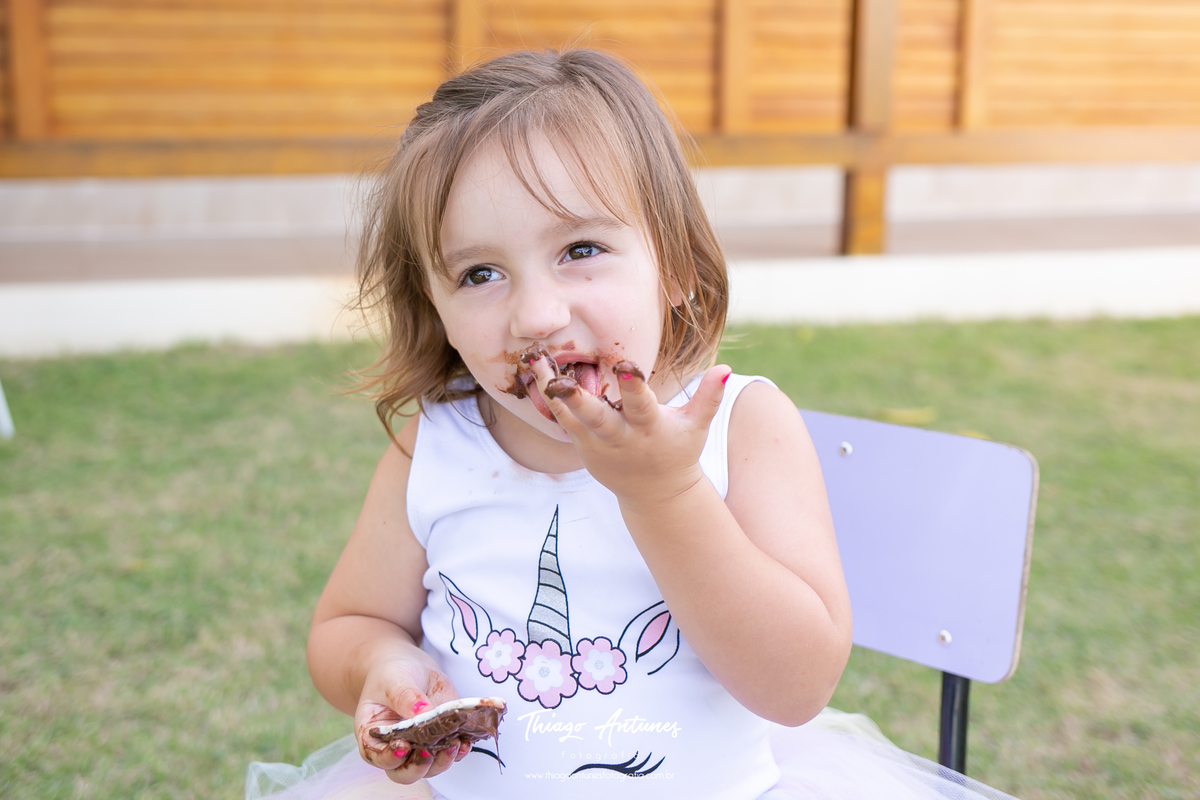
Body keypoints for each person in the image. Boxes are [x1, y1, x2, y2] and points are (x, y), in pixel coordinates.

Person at [246, 49, 1018, 800]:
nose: (536, 317)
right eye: (480, 274)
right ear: (435, 307)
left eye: (581, 249)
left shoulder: (741, 427)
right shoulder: (439, 445)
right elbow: (347, 625)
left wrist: (665, 491)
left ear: (675, 266)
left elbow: (796, 687)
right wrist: (382, 663)